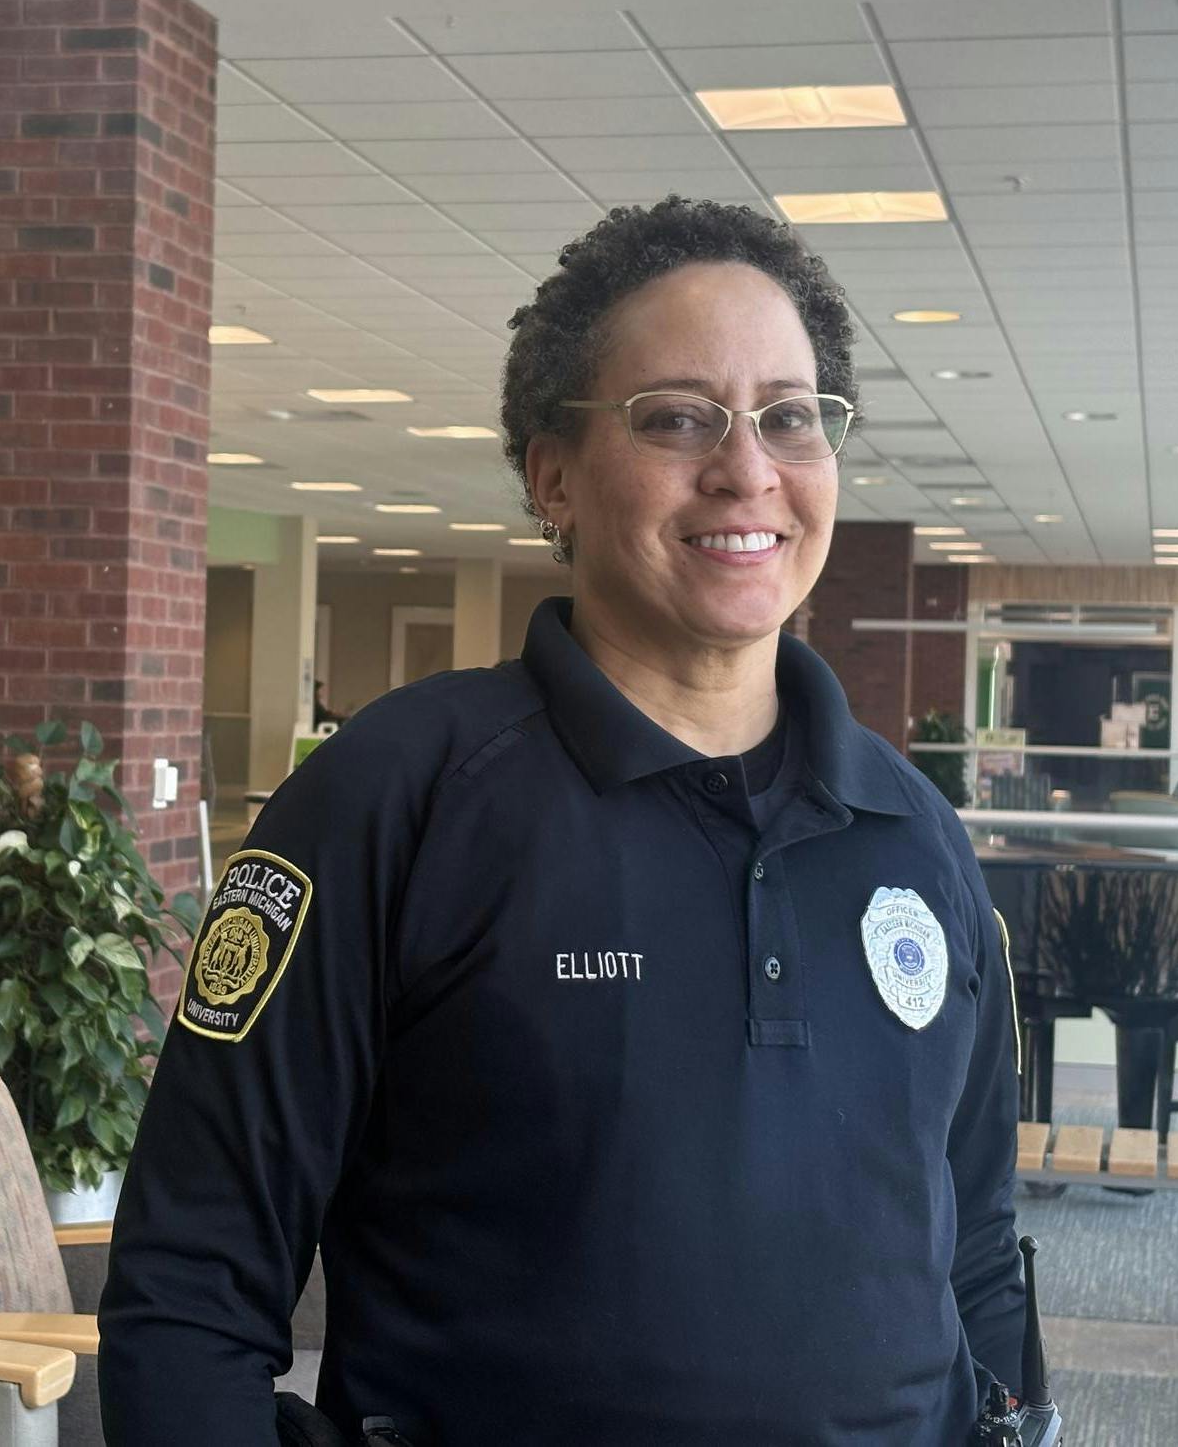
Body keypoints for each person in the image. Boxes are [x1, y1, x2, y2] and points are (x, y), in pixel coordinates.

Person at [99, 196, 1027, 1446]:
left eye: (790, 416)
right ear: (553, 477)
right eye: (678, 417)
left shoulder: (913, 833)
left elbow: (974, 1248)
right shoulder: (396, 797)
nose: (748, 469)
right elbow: (190, 1285)